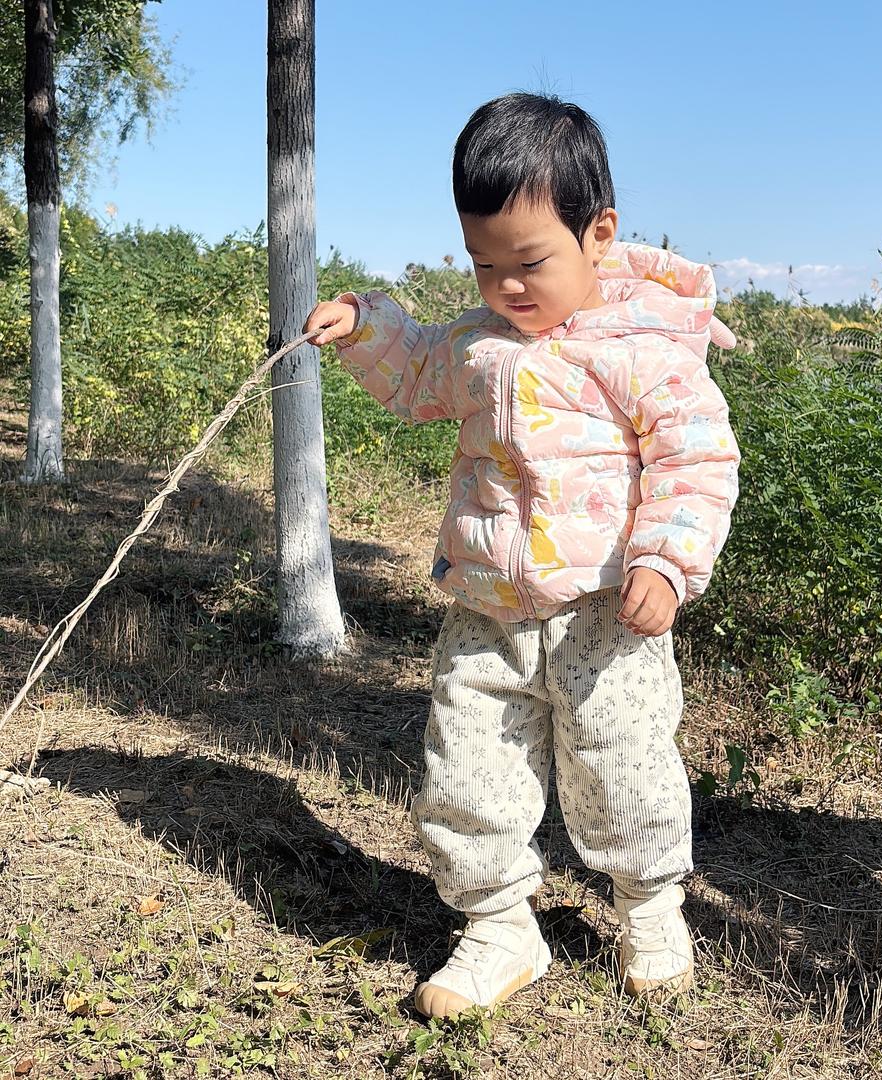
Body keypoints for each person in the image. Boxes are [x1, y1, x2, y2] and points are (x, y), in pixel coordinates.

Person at [304, 92, 740, 1019]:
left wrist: (666, 560)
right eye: (483, 262)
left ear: (598, 234)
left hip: (608, 609)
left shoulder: (646, 345)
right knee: (467, 767)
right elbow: (417, 370)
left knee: (623, 763)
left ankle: (650, 905)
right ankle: (499, 923)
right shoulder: (475, 342)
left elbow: (695, 457)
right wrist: (366, 326)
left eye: (530, 261)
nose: (506, 285)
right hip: (487, 606)